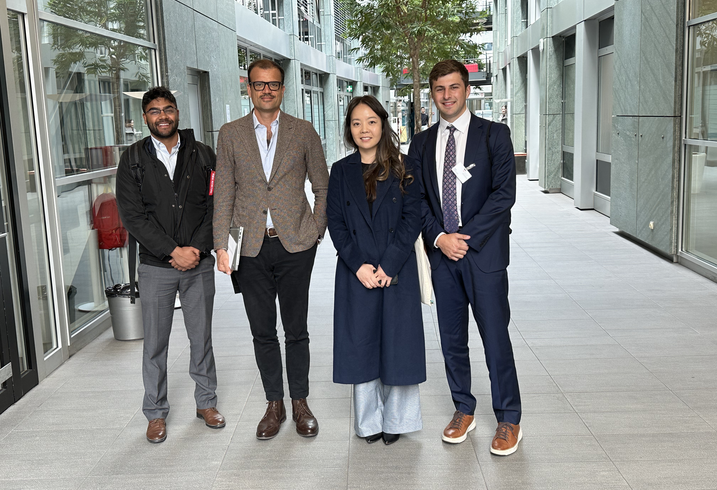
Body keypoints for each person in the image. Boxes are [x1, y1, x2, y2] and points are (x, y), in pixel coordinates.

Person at [408, 60, 522, 456]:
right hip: (443, 259)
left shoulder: (494, 135)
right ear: (433, 94)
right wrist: (440, 238)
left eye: (454, 87)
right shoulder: (421, 145)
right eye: (439, 89)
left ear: (467, 89)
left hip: (484, 256)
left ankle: (509, 417)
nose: (447, 95)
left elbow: (503, 195)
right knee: (452, 341)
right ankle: (463, 409)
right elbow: (416, 200)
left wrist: (464, 238)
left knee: (495, 338)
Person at [213, 59, 329, 440]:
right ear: (249, 88)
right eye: (260, 84)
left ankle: (300, 403)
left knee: (296, 330)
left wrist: (317, 229)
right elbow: (224, 194)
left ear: (282, 89)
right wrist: (222, 246)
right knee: (262, 331)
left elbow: (322, 185)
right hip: (250, 249)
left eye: (274, 85)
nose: (267, 90)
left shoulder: (303, 131)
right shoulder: (230, 134)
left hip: (296, 244)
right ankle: (274, 404)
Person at [116, 86, 224, 444]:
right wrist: (171, 251)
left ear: (177, 112)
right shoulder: (132, 159)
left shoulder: (204, 155)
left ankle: (206, 402)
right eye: (154, 111)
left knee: (201, 338)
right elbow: (133, 217)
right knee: (155, 344)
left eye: (168, 109)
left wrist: (194, 247)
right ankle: (156, 412)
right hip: (155, 267)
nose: (162, 116)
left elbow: (216, 207)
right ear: (145, 117)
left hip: (199, 263)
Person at [327, 95, 425, 446]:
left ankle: (397, 420)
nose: (364, 129)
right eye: (356, 123)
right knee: (361, 345)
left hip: (395, 270)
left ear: (383, 124)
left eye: (370, 121)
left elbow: (413, 218)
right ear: (349, 129)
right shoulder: (340, 170)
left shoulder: (404, 165)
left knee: (398, 346)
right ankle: (368, 423)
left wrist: (388, 263)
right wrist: (359, 266)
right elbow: (336, 223)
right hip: (357, 272)